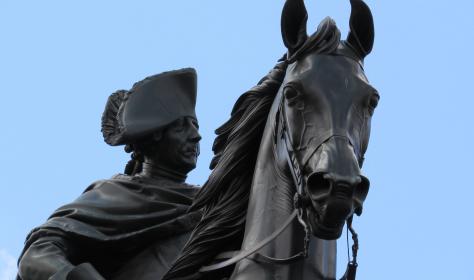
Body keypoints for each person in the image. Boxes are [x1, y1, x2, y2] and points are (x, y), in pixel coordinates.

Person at [17, 68, 203, 280]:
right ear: (154, 137)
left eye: (195, 126)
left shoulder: (212, 201)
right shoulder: (116, 194)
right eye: (181, 127)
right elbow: (38, 253)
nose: (196, 136)